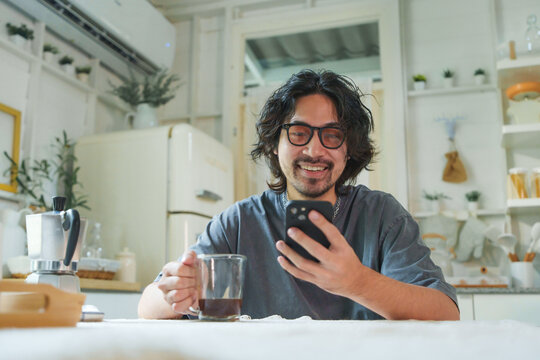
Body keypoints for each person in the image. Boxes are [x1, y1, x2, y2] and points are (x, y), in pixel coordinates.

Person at [138, 69, 460, 321]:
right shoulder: (238, 222)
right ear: (274, 145)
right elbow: (147, 307)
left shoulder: (382, 216)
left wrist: (358, 282)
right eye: (299, 132)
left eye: (332, 135)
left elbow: (445, 312)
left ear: (349, 151)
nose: (314, 150)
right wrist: (172, 294)